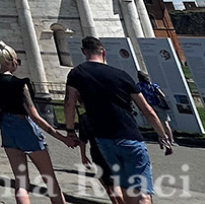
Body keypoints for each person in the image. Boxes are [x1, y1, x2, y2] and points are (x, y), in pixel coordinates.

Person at [65, 36, 172, 204]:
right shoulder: (121, 75)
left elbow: (69, 104)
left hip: (104, 140)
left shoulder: (76, 73)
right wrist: (162, 135)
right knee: (142, 192)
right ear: (104, 52)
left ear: (83, 52)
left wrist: (70, 131)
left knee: (126, 188)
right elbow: (147, 110)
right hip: (129, 136)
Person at [0, 41, 74, 204]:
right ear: (13, 61)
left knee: (21, 183)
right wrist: (62, 138)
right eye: (17, 62)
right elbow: (35, 117)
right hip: (25, 127)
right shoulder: (21, 85)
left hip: (7, 127)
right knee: (50, 180)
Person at [77, 111, 123, 204]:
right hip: (115, 151)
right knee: (115, 185)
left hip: (97, 153)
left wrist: (83, 156)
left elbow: (82, 139)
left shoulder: (85, 118)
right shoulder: (110, 113)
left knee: (109, 185)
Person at [136, 71, 174, 145]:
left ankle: (161, 138)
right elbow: (162, 95)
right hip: (158, 105)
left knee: (156, 123)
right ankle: (171, 139)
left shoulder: (138, 86)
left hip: (148, 106)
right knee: (165, 123)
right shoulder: (154, 86)